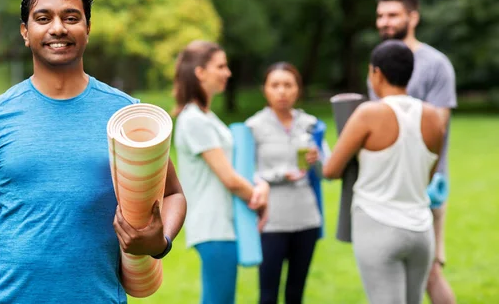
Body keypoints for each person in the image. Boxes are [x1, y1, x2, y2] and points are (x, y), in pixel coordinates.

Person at [0, 0, 187, 304]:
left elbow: (174, 194)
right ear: (25, 30)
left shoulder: (127, 115)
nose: (58, 28)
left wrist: (158, 240)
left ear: (88, 28)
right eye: (43, 18)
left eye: (71, 17)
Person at [324, 40, 445, 304]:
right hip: (420, 230)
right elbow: (427, 175)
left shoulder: (369, 113)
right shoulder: (435, 118)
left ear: (376, 73)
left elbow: (331, 170)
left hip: (377, 225)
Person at [373, 0, 457, 304]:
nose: (385, 22)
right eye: (380, 15)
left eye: (393, 15)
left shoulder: (436, 64)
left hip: (427, 184)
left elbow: (438, 127)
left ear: (413, 17)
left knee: (430, 271)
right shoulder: (378, 63)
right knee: (394, 271)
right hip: (388, 187)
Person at [172, 40, 270, 304]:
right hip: (213, 226)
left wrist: (260, 185)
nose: (228, 72)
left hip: (225, 224)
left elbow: (235, 167)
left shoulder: (206, 117)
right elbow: (229, 179)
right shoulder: (193, 120)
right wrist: (258, 196)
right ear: (200, 72)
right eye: (221, 66)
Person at [245, 62, 327, 304]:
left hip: (306, 219)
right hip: (271, 221)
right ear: (265, 90)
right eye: (275, 85)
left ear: (298, 90)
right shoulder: (254, 126)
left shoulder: (312, 124)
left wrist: (317, 159)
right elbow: (245, 173)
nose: (282, 91)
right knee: (268, 294)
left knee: (296, 293)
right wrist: (280, 174)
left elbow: (327, 172)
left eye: (288, 85)